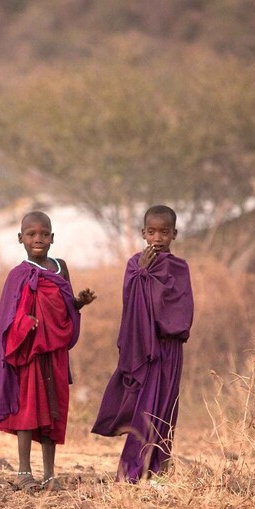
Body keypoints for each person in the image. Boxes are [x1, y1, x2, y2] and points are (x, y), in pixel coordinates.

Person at [0, 211, 96, 492]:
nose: (38, 239)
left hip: (55, 352)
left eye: (44, 234)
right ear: (20, 238)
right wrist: (25, 324)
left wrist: (79, 303)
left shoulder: (61, 268)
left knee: (54, 410)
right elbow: (8, 316)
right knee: (27, 409)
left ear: (53, 238)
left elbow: (65, 305)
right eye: (32, 234)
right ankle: (24, 471)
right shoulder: (18, 274)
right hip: (29, 352)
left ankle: (49, 474)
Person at [92, 205, 194, 483]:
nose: (157, 238)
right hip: (144, 348)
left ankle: (158, 469)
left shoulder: (179, 268)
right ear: (142, 234)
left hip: (169, 348)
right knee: (145, 409)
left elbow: (181, 309)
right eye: (151, 232)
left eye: (164, 232)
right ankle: (131, 472)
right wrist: (142, 272)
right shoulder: (134, 264)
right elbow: (132, 303)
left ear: (174, 233)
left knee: (165, 408)